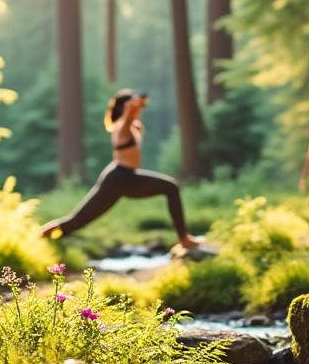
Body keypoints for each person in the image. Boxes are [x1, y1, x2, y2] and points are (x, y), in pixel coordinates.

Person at [40, 89, 200, 252]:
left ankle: (184, 239)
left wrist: (140, 101)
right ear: (125, 107)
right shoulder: (121, 126)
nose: (137, 109)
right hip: (119, 177)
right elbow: (130, 113)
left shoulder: (132, 126)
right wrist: (133, 105)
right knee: (77, 220)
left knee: (78, 220)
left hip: (124, 177)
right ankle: (37, 237)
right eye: (132, 105)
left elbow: (136, 110)